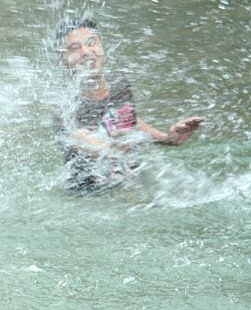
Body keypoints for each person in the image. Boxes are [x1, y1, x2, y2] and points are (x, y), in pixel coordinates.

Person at [53, 18, 205, 194]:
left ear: (102, 47)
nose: (86, 52)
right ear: (63, 60)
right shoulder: (64, 106)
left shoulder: (119, 83)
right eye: (75, 48)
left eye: (91, 43)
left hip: (131, 185)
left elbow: (127, 118)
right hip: (93, 198)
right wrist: (109, 149)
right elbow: (79, 139)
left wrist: (167, 138)